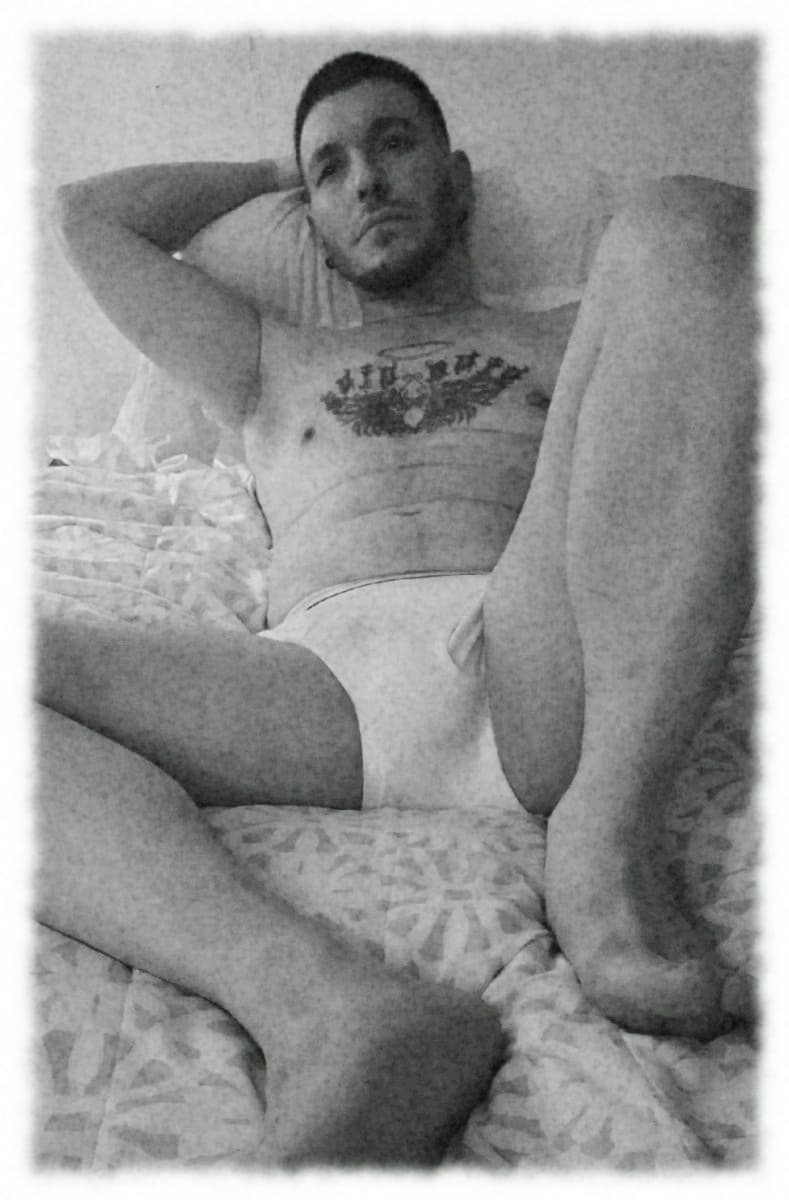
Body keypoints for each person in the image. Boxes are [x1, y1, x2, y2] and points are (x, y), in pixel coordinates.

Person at [36, 52, 756, 1166]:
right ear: (309, 216)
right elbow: (89, 217)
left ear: (457, 178)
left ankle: (606, 834)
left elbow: (721, 314)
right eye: (330, 169)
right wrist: (277, 172)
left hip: (543, 648)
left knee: (693, 220)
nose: (365, 179)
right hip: (316, 687)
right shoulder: (268, 359)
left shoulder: (572, 333)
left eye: (393, 143)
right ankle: (333, 1013)